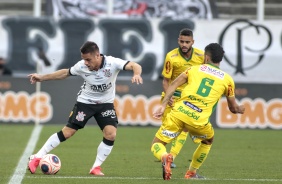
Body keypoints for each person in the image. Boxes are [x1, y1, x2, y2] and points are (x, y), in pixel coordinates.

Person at [27, 41, 143, 175]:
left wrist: (136, 74)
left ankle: (96, 167)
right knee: (68, 132)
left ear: (98, 55)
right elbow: (64, 73)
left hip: (105, 104)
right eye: (84, 59)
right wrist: (42, 77)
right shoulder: (81, 66)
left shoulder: (112, 63)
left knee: (111, 134)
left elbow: (135, 65)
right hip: (85, 103)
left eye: (88, 59)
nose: (86, 63)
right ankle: (37, 157)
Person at [151, 43, 245, 180]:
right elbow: (233, 108)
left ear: (206, 57)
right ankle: (191, 173)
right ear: (220, 59)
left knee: (157, 143)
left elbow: (173, 84)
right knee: (208, 141)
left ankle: (165, 156)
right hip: (198, 120)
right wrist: (241, 108)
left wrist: (163, 105)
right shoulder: (227, 79)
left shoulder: (193, 69)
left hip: (179, 112)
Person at [159, 28, 204, 168]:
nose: (184, 45)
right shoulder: (171, 56)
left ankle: (170, 157)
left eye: (187, 42)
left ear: (192, 42)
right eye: (182, 41)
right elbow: (166, 80)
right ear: (178, 40)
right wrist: (168, 97)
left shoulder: (201, 56)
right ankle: (164, 156)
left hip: (188, 99)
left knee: (184, 129)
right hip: (172, 96)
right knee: (167, 129)